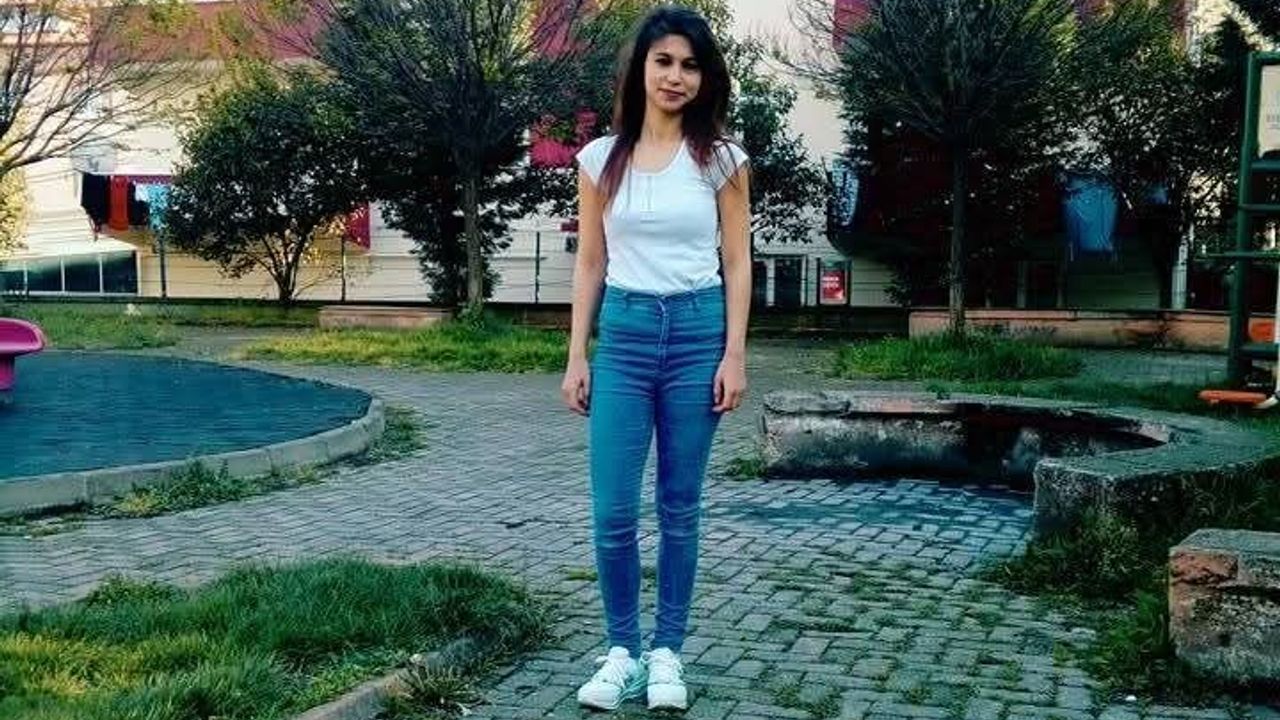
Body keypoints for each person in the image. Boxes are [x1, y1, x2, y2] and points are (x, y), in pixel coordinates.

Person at [560, 4, 751, 713]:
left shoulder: (722, 161)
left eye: (690, 65)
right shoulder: (600, 160)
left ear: (705, 78)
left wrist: (734, 353)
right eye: (664, 61)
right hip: (626, 337)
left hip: (698, 335)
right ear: (640, 68)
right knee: (613, 509)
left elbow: (738, 261)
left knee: (679, 507)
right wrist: (577, 355)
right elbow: (590, 263)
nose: (676, 76)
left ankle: (667, 651)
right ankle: (622, 650)